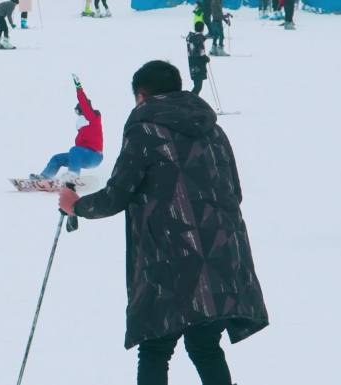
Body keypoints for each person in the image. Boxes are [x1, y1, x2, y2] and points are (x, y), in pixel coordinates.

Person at [58, 60, 269, 385]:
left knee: (155, 347)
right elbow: (234, 192)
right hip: (223, 255)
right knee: (204, 345)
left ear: (141, 96)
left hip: (170, 261)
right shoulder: (213, 129)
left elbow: (117, 195)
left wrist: (77, 206)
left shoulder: (145, 129)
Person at [30, 75, 103, 182]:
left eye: (78, 111)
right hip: (82, 155)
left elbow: (83, 101)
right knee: (57, 158)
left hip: (94, 156)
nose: (77, 114)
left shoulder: (92, 117)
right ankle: (45, 177)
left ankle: (73, 175)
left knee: (75, 150)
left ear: (83, 109)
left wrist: (78, 87)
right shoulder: (83, 125)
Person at [187, 22, 210, 96]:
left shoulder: (191, 37)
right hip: (198, 64)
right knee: (198, 86)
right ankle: (190, 100)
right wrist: (206, 58)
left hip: (192, 63)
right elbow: (201, 52)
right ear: (203, 29)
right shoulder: (199, 38)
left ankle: (191, 100)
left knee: (196, 85)